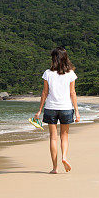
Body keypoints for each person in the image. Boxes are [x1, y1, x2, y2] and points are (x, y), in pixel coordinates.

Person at [34, 46, 80, 174]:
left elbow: (44, 93)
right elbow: (73, 93)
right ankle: (64, 157)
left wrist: (39, 110)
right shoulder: (71, 74)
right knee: (64, 137)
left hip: (51, 108)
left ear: (53, 58)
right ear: (65, 58)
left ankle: (54, 168)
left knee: (53, 138)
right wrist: (76, 111)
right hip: (66, 108)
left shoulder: (48, 73)